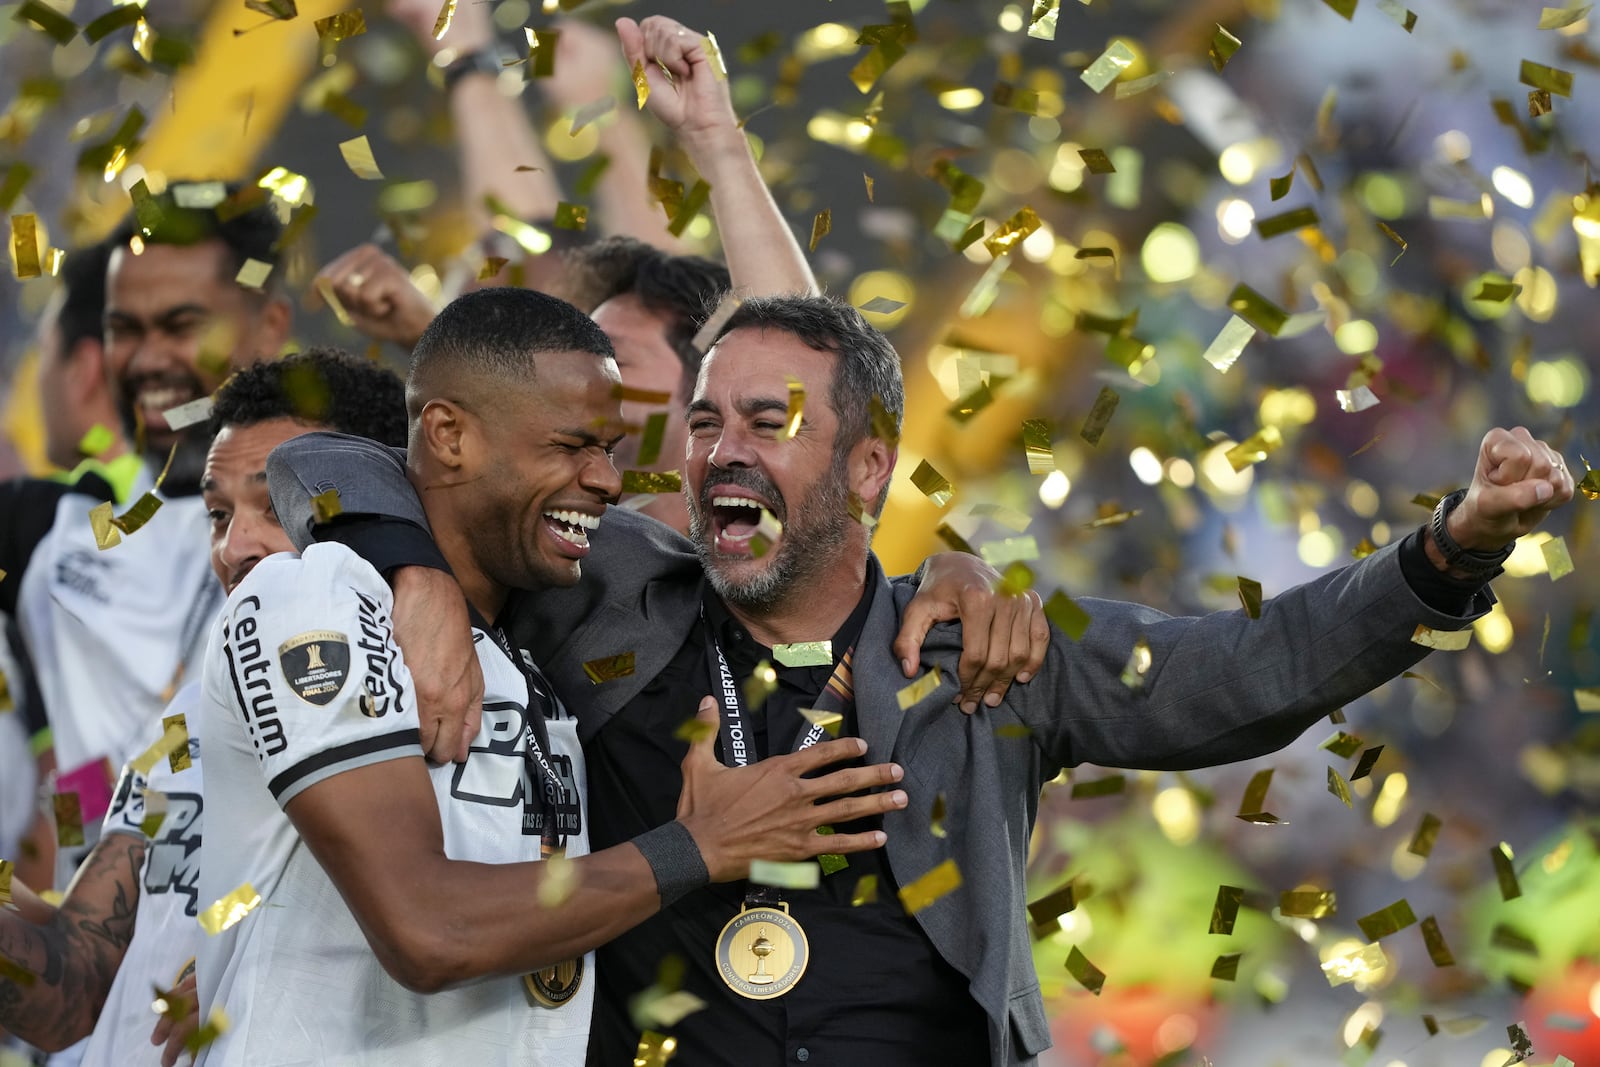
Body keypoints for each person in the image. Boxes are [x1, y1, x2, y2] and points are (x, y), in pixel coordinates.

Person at [270, 294, 1574, 1065]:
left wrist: (1446, 550)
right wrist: (416, 573)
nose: (724, 450)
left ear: (866, 469)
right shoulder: (607, 586)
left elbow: (1245, 669)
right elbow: (330, 449)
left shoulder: (984, 650)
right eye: (707, 418)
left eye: (771, 423)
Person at [193, 288, 910, 1065]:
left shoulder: (537, 649)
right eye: (572, 446)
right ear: (449, 436)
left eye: (608, 447)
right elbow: (427, 930)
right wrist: (698, 845)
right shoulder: (314, 597)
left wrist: (949, 573)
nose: (607, 479)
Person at [0, 349, 410, 1067]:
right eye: (218, 513)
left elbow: (453, 938)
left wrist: (253, 980)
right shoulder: (193, 711)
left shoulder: (442, 709)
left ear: (382, 503)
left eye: (279, 505)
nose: (234, 547)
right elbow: (81, 982)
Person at [313, 14, 814, 538]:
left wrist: (703, 135)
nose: (576, 374)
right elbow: (524, 250)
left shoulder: (751, 528)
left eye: (614, 361)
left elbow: (790, 361)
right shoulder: (552, 542)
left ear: (708, 388)